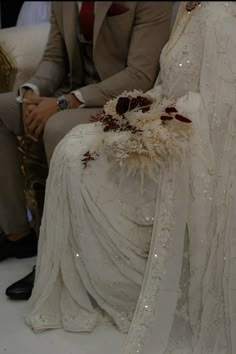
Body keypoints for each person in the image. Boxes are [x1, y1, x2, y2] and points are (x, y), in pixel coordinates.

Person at [21, 1, 236, 353]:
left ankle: (88, 271)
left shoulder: (218, 16)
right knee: (73, 148)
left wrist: (159, 124)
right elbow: (165, 81)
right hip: (159, 118)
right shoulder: (188, 7)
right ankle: (56, 259)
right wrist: (142, 108)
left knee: (74, 156)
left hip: (189, 145)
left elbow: (220, 110)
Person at [0, 1, 172, 298]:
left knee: (55, 126)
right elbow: (54, 58)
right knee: (3, 108)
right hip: (69, 94)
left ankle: (56, 256)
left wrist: (66, 102)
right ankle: (18, 233)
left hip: (123, 102)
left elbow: (140, 75)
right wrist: (33, 91)